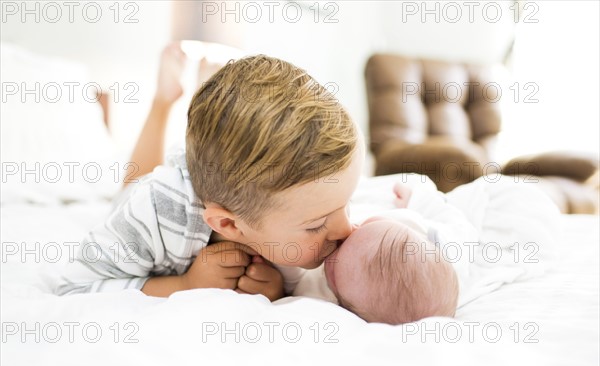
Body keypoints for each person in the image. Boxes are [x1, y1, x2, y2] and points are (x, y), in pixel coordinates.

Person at [56, 42, 364, 300]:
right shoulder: (155, 209)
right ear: (228, 223)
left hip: (215, 179)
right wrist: (184, 285)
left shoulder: (307, 201)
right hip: (154, 198)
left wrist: (278, 289)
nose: (346, 229)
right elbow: (76, 286)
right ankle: (162, 102)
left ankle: (202, 90)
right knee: (133, 185)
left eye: (346, 203)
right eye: (317, 225)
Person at [295, 175, 560, 325]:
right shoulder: (445, 244)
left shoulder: (325, 294)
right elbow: (453, 218)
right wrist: (418, 201)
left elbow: (294, 283)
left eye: (334, 265)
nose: (346, 233)